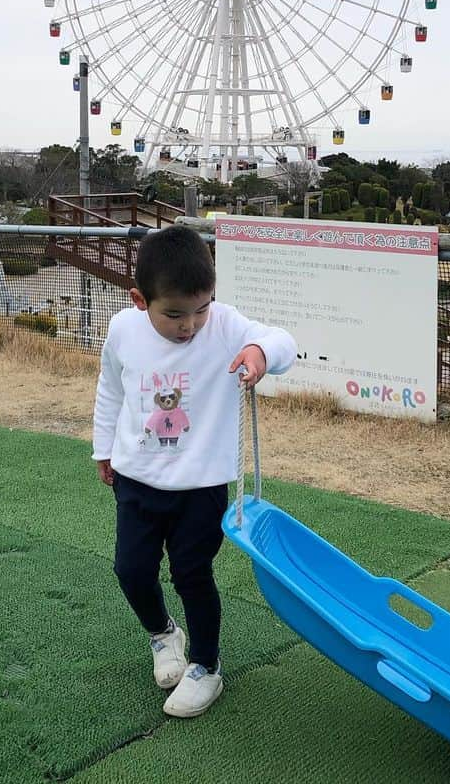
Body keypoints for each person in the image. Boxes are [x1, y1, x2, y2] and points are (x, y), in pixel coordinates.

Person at [93, 225, 296, 718]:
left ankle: (205, 665)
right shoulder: (123, 330)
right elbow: (110, 392)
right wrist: (103, 450)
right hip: (136, 480)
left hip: (202, 487)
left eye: (201, 308)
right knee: (131, 570)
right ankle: (164, 634)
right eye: (175, 314)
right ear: (140, 300)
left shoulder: (224, 325)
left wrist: (259, 353)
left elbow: (283, 341)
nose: (190, 325)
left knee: (192, 574)